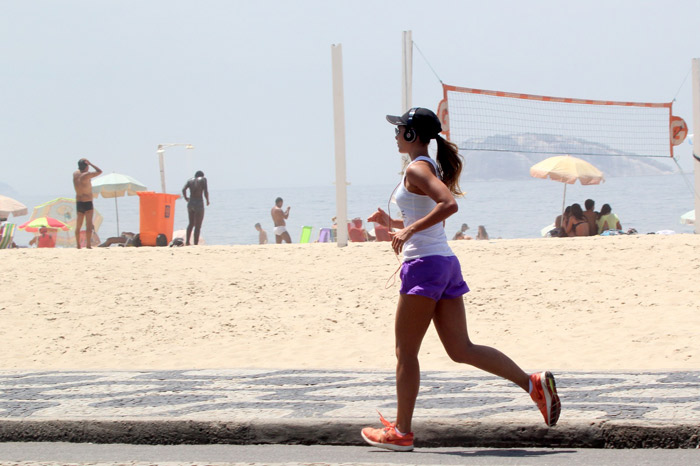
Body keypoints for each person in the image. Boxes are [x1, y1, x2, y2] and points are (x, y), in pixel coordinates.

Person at [361, 107, 560, 452]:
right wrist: (394, 226)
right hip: (444, 263)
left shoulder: (418, 167)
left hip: (424, 267)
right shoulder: (429, 166)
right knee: (461, 349)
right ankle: (531, 383)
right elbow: (432, 220)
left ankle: (401, 432)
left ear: (412, 135)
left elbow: (448, 204)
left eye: (399, 130)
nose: (395, 135)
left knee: (406, 353)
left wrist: (407, 229)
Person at [72, 158, 102, 249]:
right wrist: (91, 163)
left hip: (79, 202)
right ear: (86, 167)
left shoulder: (75, 174)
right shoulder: (86, 175)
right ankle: (88, 245)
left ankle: (78, 245)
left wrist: (84, 163)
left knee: (78, 225)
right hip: (87, 202)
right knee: (88, 224)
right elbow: (99, 171)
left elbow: (79, 169)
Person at [182, 170, 210, 246]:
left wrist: (186, 198)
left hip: (190, 203)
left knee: (191, 223)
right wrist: (207, 200)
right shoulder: (203, 179)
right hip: (199, 203)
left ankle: (187, 242)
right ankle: (195, 243)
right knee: (198, 225)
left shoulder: (190, 180)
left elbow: (183, 189)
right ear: (202, 176)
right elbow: (205, 191)